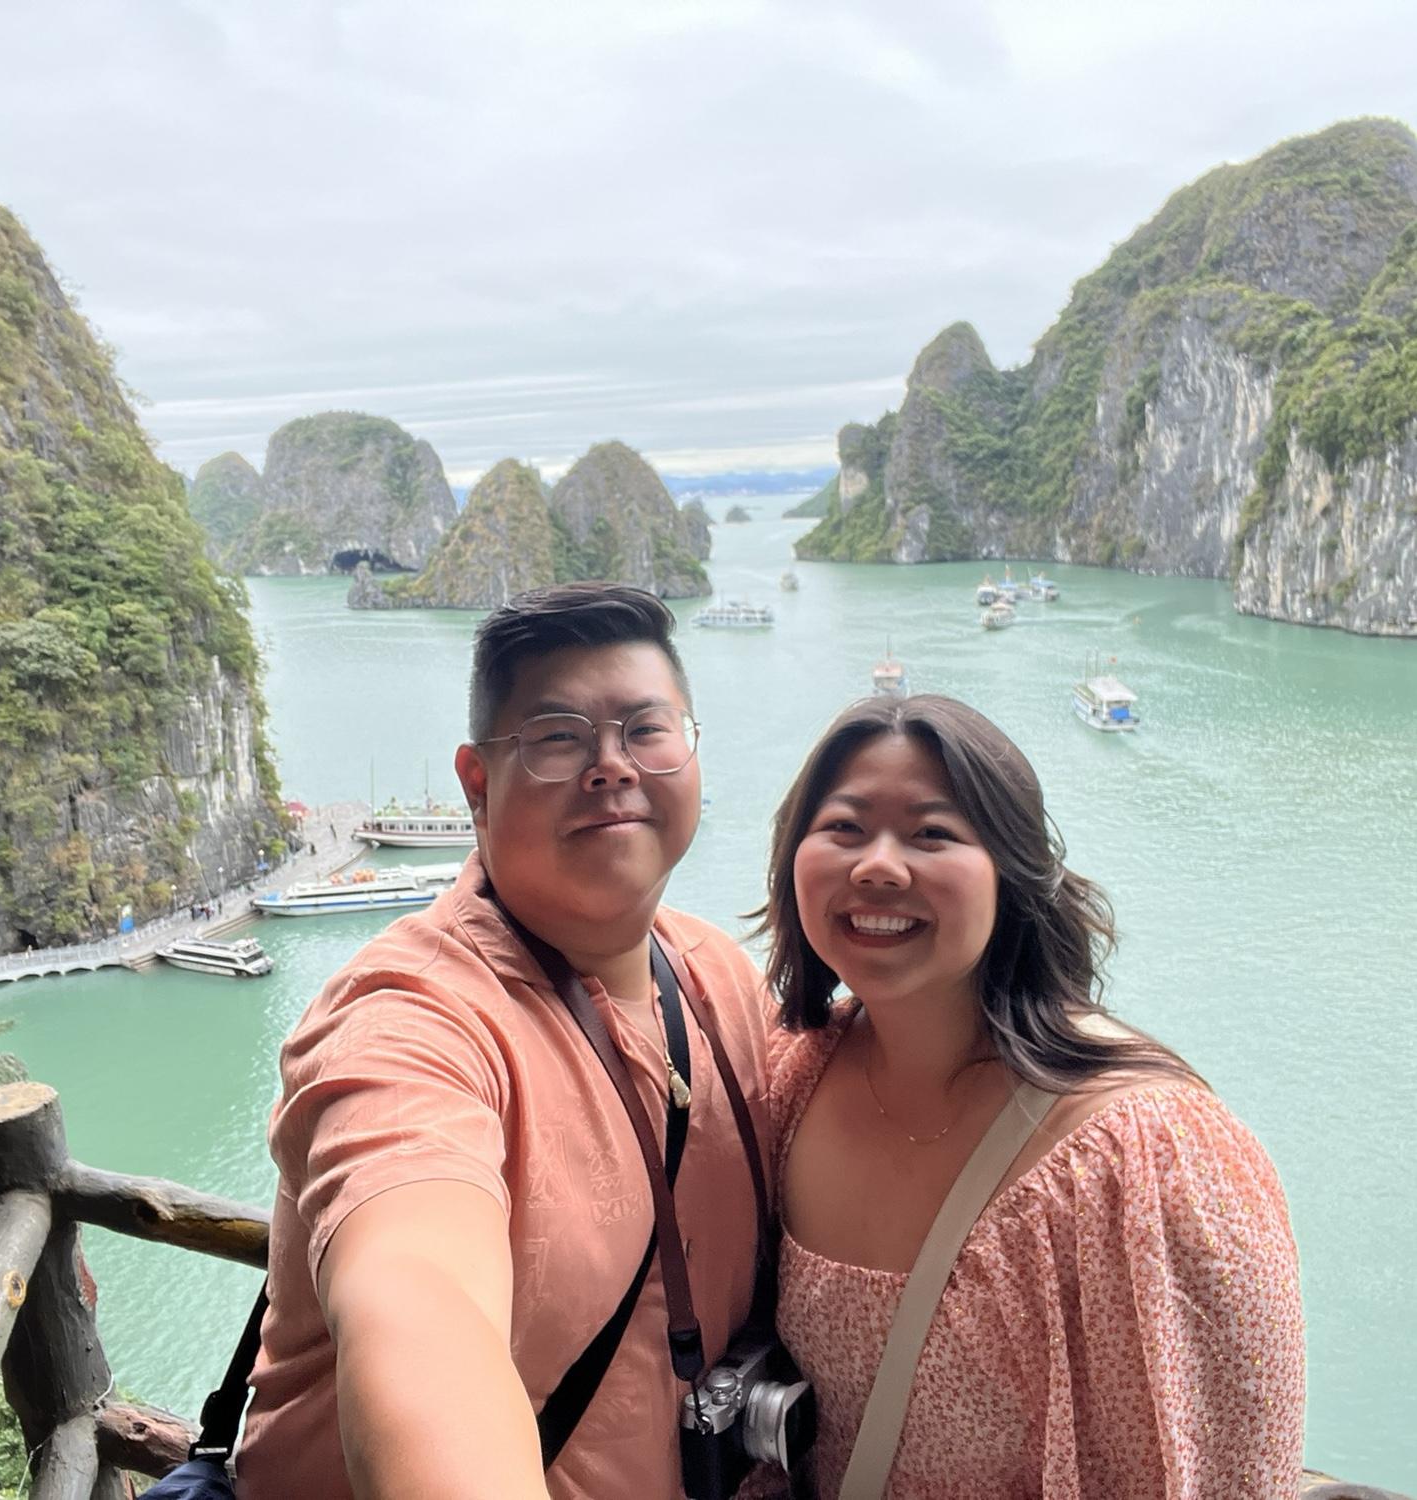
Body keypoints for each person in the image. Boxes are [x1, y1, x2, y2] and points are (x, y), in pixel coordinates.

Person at [237, 583, 773, 1500]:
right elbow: (418, 1300)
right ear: (477, 785)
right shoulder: (409, 1020)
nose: (612, 766)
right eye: (559, 738)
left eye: (647, 729)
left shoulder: (720, 977)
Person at [756, 695, 1304, 1498]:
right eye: (845, 827)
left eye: (932, 834)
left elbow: (1225, 1474)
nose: (878, 865)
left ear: (1011, 876)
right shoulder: (787, 1079)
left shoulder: (1147, 1163)